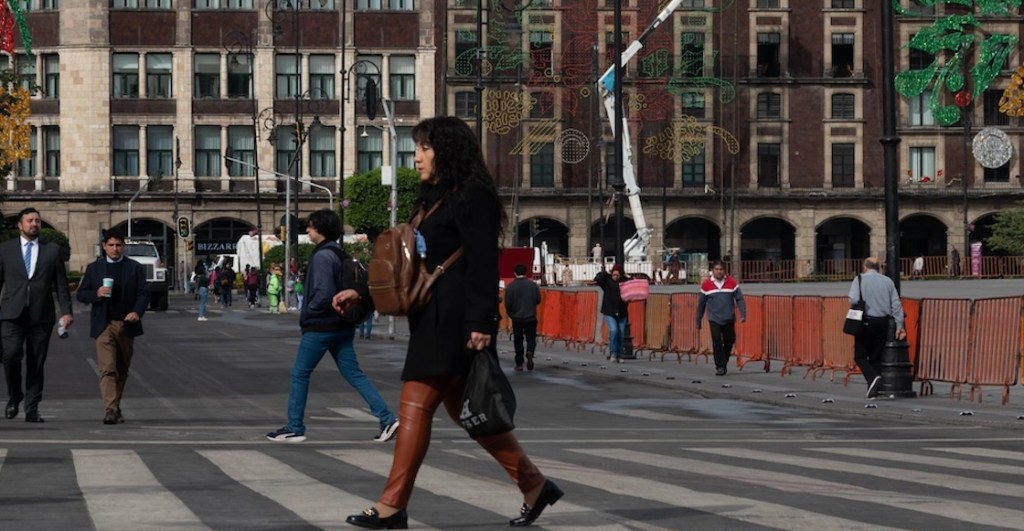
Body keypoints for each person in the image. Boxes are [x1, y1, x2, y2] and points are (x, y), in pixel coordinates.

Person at [343, 117, 561, 530]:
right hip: (433, 317)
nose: (417, 156)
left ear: (447, 150)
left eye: (424, 147)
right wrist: (366, 294)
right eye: (417, 147)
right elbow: (413, 267)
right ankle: (534, 484)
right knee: (469, 413)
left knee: (414, 405)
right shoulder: (430, 200)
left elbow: (482, 261)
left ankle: (392, 505)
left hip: (457, 320)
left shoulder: (472, 195)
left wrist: (482, 321)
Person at [266, 209, 399, 444]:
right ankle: (387, 418)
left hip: (321, 326)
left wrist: (309, 312)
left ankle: (295, 427)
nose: (307, 230)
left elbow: (324, 292)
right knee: (354, 373)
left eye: (310, 226)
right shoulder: (338, 252)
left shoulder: (322, 256)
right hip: (342, 325)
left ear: (320, 228)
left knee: (300, 374)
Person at [0, 207, 74, 423]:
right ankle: (15, 395)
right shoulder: (5, 250)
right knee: (10, 356)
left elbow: (61, 285)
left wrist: (67, 312)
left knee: (36, 362)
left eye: (37, 221)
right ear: (20, 225)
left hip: (41, 316)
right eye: (30, 220)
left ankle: (32, 408)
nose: (34, 224)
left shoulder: (52, 250)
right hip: (12, 314)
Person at [76, 228, 149, 424]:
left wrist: (136, 312)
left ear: (123, 247)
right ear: (104, 247)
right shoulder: (94, 268)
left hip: (126, 325)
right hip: (104, 324)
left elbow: (143, 294)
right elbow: (81, 294)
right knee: (107, 368)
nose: (114, 249)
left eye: (118, 245)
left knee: (121, 369)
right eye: (111, 245)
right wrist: (96, 294)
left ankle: (115, 405)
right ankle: (110, 409)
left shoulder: (134, 268)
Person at [849, 257, 907, 399]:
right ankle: (873, 390)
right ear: (879, 267)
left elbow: (853, 299)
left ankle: (873, 377)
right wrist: (900, 326)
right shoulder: (887, 281)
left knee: (860, 355)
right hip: (883, 323)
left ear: (865, 267)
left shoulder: (859, 279)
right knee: (876, 357)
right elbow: (896, 305)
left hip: (865, 321)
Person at [695, 260, 747, 376]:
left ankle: (723, 362)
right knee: (717, 341)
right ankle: (720, 366)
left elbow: (739, 299)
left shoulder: (732, 283)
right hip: (714, 318)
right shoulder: (706, 284)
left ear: (724, 271)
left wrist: (743, 314)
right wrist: (698, 320)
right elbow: (701, 304)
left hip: (728, 318)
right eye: (716, 269)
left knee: (730, 340)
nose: (719, 272)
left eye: (721, 269)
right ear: (712, 271)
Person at [504, 263, 541, 371]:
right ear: (526, 273)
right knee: (531, 338)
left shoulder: (511, 287)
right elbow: (538, 300)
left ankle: (519, 363)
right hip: (530, 317)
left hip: (517, 318)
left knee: (518, 340)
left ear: (514, 273)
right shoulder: (533, 286)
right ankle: (530, 351)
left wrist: (511, 314)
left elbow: (508, 304)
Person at [594, 264, 628, 364]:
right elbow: (598, 279)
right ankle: (613, 353)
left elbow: (634, 285)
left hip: (622, 311)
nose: (615, 277)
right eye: (614, 275)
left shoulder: (624, 282)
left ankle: (620, 354)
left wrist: (628, 277)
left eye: (617, 275)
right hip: (609, 311)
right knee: (614, 331)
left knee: (620, 333)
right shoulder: (607, 281)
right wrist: (605, 273)